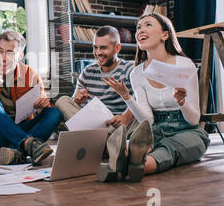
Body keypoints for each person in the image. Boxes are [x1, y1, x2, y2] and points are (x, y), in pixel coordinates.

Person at [97, 13, 210, 183]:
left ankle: (126, 166)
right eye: (138, 27)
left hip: (188, 130)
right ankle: (129, 164)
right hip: (156, 129)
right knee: (140, 143)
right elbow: (148, 120)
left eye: (148, 25)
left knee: (169, 149)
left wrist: (182, 102)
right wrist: (127, 97)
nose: (141, 30)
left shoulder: (185, 65)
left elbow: (194, 120)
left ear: (165, 34)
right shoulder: (137, 73)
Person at [0, 30, 62, 165]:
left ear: (20, 55)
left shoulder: (30, 75)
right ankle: (26, 144)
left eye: (9, 53)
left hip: (17, 130)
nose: (2, 57)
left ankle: (14, 153)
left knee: (54, 112)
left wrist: (42, 105)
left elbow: (40, 112)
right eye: (0, 51)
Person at [55, 26, 136, 144]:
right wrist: (77, 101)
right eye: (95, 48)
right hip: (91, 125)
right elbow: (74, 103)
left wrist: (125, 117)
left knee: (142, 113)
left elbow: (140, 100)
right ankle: (101, 142)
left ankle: (93, 141)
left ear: (117, 48)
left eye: (103, 48)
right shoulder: (88, 72)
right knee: (62, 101)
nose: (98, 53)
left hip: (117, 125)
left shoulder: (130, 69)